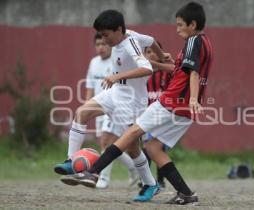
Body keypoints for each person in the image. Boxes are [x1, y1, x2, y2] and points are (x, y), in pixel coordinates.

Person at [62, 2, 213, 205]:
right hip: (183, 108)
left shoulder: (193, 41)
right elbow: (179, 71)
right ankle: (186, 194)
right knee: (153, 147)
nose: (177, 30)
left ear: (192, 24)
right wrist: (159, 63)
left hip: (172, 102)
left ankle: (93, 172)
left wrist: (193, 98)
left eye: (179, 25)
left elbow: (193, 72)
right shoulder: (206, 43)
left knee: (131, 135)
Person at [56, 9, 168, 202]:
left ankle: (150, 184)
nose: (104, 40)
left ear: (118, 30)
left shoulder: (130, 44)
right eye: (101, 35)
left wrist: (117, 76)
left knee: (133, 149)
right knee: (82, 113)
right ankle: (70, 161)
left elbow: (147, 68)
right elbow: (150, 40)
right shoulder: (131, 33)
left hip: (132, 101)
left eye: (106, 35)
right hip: (116, 93)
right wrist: (162, 55)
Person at [84, 32, 139, 189]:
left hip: (114, 105)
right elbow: (89, 84)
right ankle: (133, 166)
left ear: (110, 44)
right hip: (98, 106)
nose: (101, 47)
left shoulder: (117, 60)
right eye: (98, 44)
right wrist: (88, 104)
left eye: (104, 44)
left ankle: (103, 178)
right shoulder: (93, 62)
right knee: (109, 144)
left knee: (106, 143)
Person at [141, 45, 173, 188]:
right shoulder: (142, 73)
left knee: (157, 149)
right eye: (148, 52)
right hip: (146, 115)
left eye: (154, 51)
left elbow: (178, 73)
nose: (152, 54)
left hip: (164, 115)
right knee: (147, 148)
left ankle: (159, 179)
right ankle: (147, 180)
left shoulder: (168, 72)